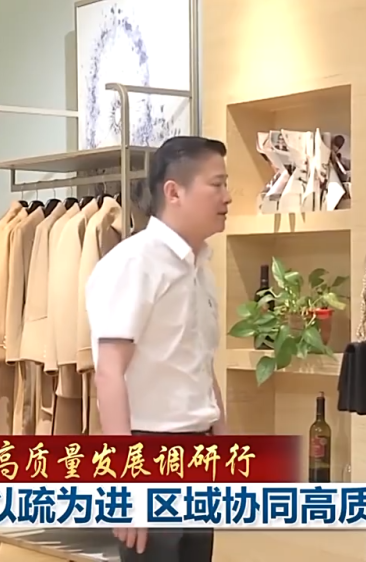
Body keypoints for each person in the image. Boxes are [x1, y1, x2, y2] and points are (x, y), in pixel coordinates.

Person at [84, 135, 231, 562]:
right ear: (174, 191)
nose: (227, 196)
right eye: (216, 184)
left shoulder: (200, 269)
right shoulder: (134, 264)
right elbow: (109, 371)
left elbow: (200, 365)